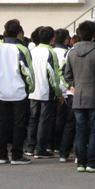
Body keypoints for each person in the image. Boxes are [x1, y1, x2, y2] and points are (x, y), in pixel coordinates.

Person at [63, 21, 95, 173]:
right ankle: (92, 161)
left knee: (80, 130)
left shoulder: (71, 52)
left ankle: (81, 162)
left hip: (78, 96)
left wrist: (74, 85)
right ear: (94, 35)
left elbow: (67, 74)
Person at [0, 19, 35, 165]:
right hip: (19, 92)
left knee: (3, 124)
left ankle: (2, 155)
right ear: (19, 33)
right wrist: (30, 88)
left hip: (3, 92)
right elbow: (28, 72)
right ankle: (17, 155)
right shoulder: (22, 49)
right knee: (18, 125)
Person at [27, 27, 62, 159]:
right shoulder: (50, 52)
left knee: (33, 119)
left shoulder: (32, 51)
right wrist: (58, 92)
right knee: (44, 121)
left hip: (33, 90)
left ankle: (30, 147)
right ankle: (40, 148)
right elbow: (53, 75)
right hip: (46, 91)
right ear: (52, 38)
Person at [51, 28, 75, 163]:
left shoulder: (52, 51)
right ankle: (60, 145)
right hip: (66, 91)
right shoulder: (68, 53)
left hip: (53, 89)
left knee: (54, 119)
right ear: (66, 39)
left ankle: (54, 146)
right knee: (65, 120)